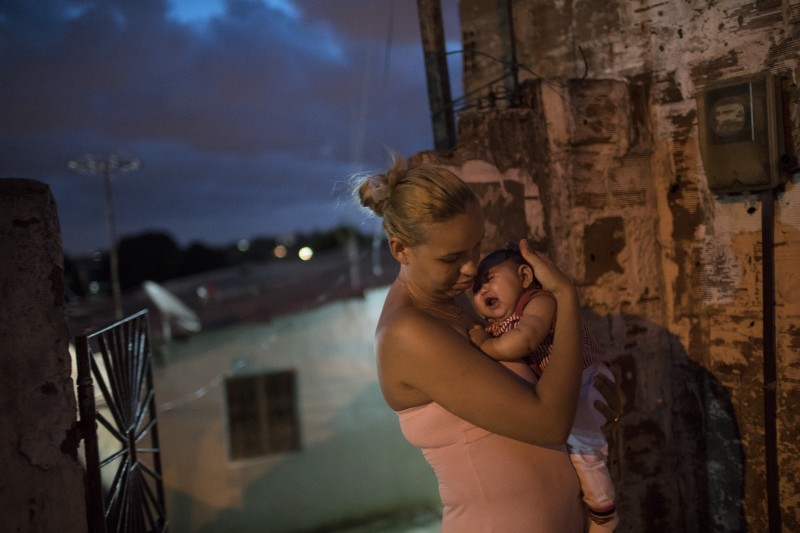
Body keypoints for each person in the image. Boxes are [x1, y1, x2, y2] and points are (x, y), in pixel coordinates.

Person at [356, 154, 625, 532]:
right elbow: (548, 423)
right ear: (400, 249)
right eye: (452, 258)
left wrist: (589, 410)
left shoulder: (455, 304)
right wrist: (564, 297)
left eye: (476, 248)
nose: (471, 268)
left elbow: (541, 404)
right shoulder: (408, 333)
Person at [468, 243, 619, 532]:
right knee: (576, 449)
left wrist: (484, 345)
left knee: (585, 450)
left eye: (489, 279)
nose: (482, 289)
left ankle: (604, 511)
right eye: (475, 288)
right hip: (570, 393)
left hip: (587, 381)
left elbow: (524, 340)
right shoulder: (496, 324)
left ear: (525, 277)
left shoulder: (539, 302)